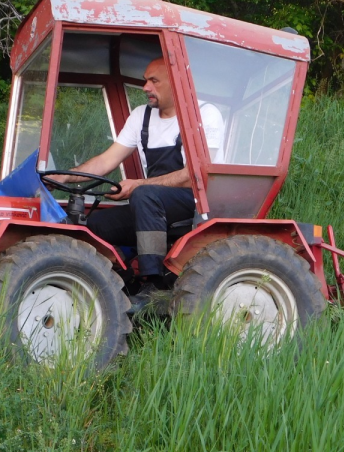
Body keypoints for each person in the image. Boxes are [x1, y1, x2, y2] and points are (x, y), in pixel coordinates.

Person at [50, 57, 224, 302]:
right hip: (152, 203)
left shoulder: (204, 114)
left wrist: (138, 185)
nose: (146, 87)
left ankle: (154, 285)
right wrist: (64, 176)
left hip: (196, 204)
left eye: (154, 81)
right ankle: (122, 281)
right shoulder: (141, 116)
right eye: (145, 81)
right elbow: (106, 160)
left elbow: (194, 175)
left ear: (177, 82)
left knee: (144, 194)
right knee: (94, 226)